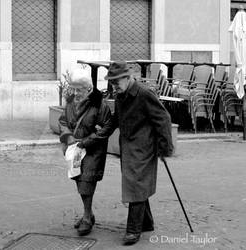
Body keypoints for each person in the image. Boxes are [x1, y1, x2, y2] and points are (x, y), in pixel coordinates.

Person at [104, 61, 174, 245]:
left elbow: (163, 119)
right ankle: (147, 223)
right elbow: (115, 120)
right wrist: (100, 135)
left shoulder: (144, 93)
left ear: (127, 78)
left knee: (135, 184)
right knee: (137, 184)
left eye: (116, 82)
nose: (114, 86)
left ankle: (133, 230)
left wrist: (164, 147)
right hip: (128, 147)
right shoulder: (121, 95)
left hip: (144, 147)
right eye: (111, 83)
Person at [59, 68, 113, 236]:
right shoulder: (70, 101)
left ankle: (87, 218)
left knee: (86, 182)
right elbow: (62, 120)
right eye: (73, 88)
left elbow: (106, 128)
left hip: (92, 150)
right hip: (74, 149)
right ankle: (88, 214)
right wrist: (68, 136)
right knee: (78, 179)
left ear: (89, 88)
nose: (75, 93)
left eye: (79, 89)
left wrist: (86, 142)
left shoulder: (99, 104)